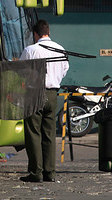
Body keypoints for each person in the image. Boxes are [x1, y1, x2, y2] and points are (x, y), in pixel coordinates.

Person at [20, 20, 68, 183]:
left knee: (33, 133)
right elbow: (64, 70)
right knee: (49, 134)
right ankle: (50, 172)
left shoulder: (31, 50)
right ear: (48, 32)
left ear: (35, 34)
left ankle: (36, 172)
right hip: (53, 94)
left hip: (34, 93)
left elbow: (21, 71)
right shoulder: (60, 49)